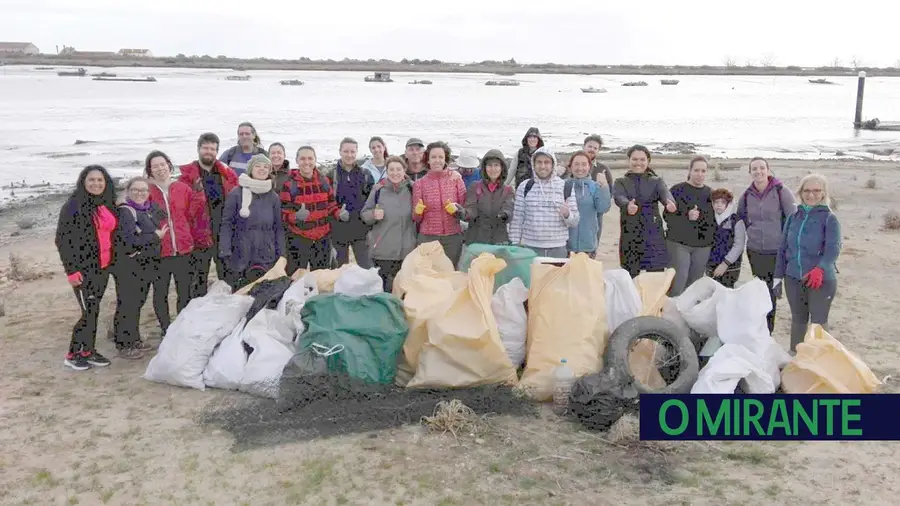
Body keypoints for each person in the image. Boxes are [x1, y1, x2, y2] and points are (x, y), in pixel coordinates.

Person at [55, 165, 118, 370]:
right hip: (83, 271)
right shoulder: (73, 205)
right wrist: (72, 271)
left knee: (94, 309)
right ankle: (73, 353)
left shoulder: (106, 203)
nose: (96, 183)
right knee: (88, 312)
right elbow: (62, 241)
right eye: (91, 180)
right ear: (83, 182)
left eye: (100, 180)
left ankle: (88, 350)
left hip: (103, 267)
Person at [775, 173, 841, 353]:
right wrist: (777, 277)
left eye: (816, 191)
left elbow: (833, 250)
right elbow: (783, 249)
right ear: (801, 193)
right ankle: (795, 361)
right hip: (793, 278)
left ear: (823, 193)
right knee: (798, 321)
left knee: (818, 324)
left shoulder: (829, 218)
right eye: (807, 191)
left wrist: (820, 269)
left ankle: (821, 364)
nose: (811, 195)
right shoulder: (793, 217)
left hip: (820, 281)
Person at [736, 157, 797, 334]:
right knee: (761, 290)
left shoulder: (781, 191)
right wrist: (752, 233)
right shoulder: (747, 195)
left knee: (772, 290)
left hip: (776, 250)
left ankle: (768, 330)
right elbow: (740, 218)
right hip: (755, 251)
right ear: (750, 173)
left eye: (762, 168)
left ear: (768, 170)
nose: (758, 171)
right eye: (754, 169)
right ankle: (762, 327)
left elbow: (793, 218)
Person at [179, 132, 239, 298]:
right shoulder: (187, 176)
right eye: (205, 148)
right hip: (199, 234)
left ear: (217, 151)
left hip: (224, 233)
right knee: (198, 279)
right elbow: (181, 208)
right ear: (198, 149)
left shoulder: (226, 173)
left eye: (212, 149)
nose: (209, 152)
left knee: (228, 276)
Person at [112, 177, 165, 359]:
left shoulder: (146, 209)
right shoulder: (126, 212)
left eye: (143, 190)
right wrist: (155, 236)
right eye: (135, 190)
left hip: (144, 265)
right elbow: (129, 242)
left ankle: (134, 340)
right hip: (128, 266)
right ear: (128, 191)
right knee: (127, 304)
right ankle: (123, 344)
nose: (140, 193)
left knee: (137, 304)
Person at [145, 150, 195, 337]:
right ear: (149, 169)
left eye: (162, 164)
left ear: (169, 165)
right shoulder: (146, 190)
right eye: (155, 166)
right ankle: (166, 328)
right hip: (159, 251)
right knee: (160, 293)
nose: (160, 169)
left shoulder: (182, 188)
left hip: (183, 248)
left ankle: (181, 326)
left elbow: (192, 216)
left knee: (184, 290)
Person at [219, 154, 286, 289]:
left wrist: (282, 254)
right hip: (241, 253)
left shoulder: (273, 197)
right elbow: (226, 224)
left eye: (266, 167)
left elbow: (278, 227)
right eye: (257, 166)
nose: (262, 169)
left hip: (266, 254)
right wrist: (225, 251)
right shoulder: (236, 194)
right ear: (250, 169)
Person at [612, 145, 677, 278]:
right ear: (628, 161)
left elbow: (665, 194)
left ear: (648, 161)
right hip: (630, 235)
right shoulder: (621, 182)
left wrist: (670, 203)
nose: (638, 163)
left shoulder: (656, 181)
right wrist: (627, 206)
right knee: (630, 278)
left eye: (642, 159)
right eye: (635, 159)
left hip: (653, 235)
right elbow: (619, 197)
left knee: (655, 278)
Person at [280, 146, 343, 274]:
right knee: (296, 277)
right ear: (297, 161)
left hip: (322, 238)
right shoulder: (289, 185)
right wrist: (296, 216)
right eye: (302, 158)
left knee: (321, 277)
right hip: (299, 238)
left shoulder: (324, 181)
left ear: (315, 160)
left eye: (310, 158)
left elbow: (331, 205)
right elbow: (283, 214)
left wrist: (339, 213)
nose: (306, 162)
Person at [508, 146, 580, 258]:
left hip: (558, 248)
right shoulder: (525, 186)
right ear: (533, 164)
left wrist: (567, 215)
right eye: (539, 162)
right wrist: (514, 245)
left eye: (546, 162)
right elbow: (517, 219)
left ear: (553, 165)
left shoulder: (565, 186)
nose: (542, 166)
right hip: (530, 248)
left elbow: (575, 221)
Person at [361, 156, 417, 292]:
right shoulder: (378, 190)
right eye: (391, 169)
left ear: (404, 170)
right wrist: (373, 214)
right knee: (385, 290)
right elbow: (364, 214)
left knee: (404, 290)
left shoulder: (412, 189)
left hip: (407, 250)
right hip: (383, 251)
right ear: (387, 171)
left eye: (398, 169)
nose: (395, 173)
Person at [665, 156, 716, 296]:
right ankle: (671, 313)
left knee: (695, 284)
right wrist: (686, 215)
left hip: (703, 245)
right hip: (679, 243)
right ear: (690, 170)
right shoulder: (677, 190)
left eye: (703, 171)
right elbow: (667, 216)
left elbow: (714, 221)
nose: (700, 174)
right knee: (679, 281)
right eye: (697, 170)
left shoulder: (711, 193)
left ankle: (688, 315)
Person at [412, 141, 468, 265]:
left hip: (452, 237)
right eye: (433, 157)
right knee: (429, 275)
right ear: (428, 160)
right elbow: (415, 218)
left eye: (440, 157)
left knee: (450, 273)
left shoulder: (456, 179)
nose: (437, 160)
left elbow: (466, 210)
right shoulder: (420, 184)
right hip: (428, 237)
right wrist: (418, 211)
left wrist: (457, 211)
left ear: (445, 159)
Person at [332, 137, 375, 268]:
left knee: (368, 269)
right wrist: (337, 212)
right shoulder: (330, 175)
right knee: (339, 271)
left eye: (352, 151)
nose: (349, 155)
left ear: (357, 152)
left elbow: (372, 200)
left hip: (361, 230)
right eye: (346, 151)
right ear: (340, 152)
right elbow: (327, 202)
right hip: (338, 231)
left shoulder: (365, 174)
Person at [462, 149, 515, 245]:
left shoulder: (508, 190)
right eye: (489, 165)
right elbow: (471, 209)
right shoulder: (475, 186)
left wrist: (504, 215)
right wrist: (463, 213)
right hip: (476, 240)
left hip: (499, 241)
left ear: (502, 168)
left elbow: (509, 209)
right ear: (484, 168)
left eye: (496, 165)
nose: (493, 169)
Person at [565, 151, 611, 258]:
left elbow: (603, 208)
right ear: (570, 166)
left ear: (589, 167)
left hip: (588, 245)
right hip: (565, 245)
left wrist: (604, 186)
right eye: (576, 164)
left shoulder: (594, 186)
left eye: (584, 164)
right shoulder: (563, 185)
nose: (580, 168)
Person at [706, 188, 746, 289]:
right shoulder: (710, 219)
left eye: (723, 202)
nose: (719, 205)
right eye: (716, 202)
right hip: (712, 265)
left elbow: (739, 245)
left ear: (728, 204)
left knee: (727, 293)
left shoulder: (736, 221)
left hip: (730, 267)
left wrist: (725, 263)